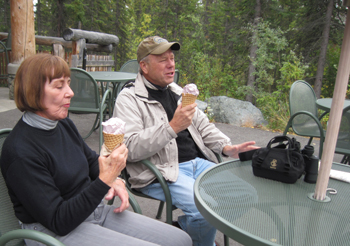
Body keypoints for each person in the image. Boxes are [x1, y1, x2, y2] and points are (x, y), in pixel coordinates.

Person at [0, 53, 192, 246]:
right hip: (53, 232)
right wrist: (105, 180)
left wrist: (115, 180)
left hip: (91, 210)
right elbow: (59, 220)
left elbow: (91, 160)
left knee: (180, 239)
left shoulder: (62, 123)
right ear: (32, 91)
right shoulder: (21, 151)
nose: (70, 92)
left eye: (68, 83)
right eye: (59, 86)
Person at [113, 36, 259, 246]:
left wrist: (228, 147)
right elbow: (130, 147)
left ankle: (184, 230)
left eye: (172, 58)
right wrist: (172, 128)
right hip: (161, 170)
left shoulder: (178, 92)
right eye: (163, 60)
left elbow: (204, 126)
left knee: (246, 194)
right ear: (144, 66)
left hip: (198, 164)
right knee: (203, 208)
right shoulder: (129, 99)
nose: (171, 64)